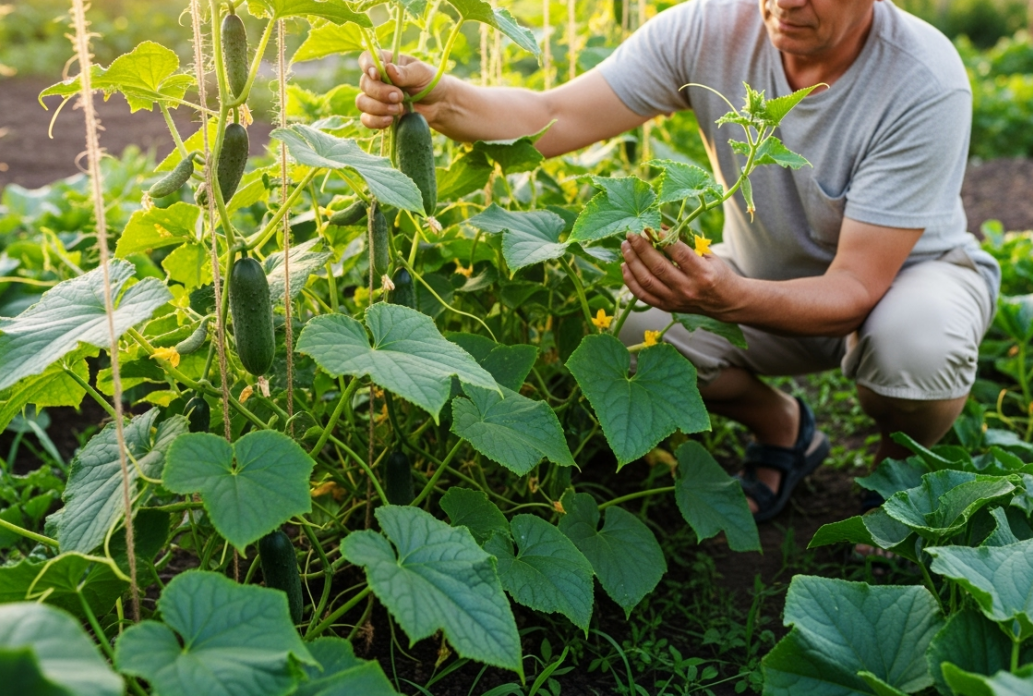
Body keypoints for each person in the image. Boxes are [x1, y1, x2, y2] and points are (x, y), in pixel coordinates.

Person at [355, 0, 1000, 521]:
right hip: (759, 278)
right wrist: (438, 97)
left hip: (902, 285)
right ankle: (784, 428)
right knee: (635, 331)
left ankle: (896, 474)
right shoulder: (709, 27)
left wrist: (728, 298)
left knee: (916, 347)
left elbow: (856, 285)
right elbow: (553, 116)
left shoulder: (922, 78)